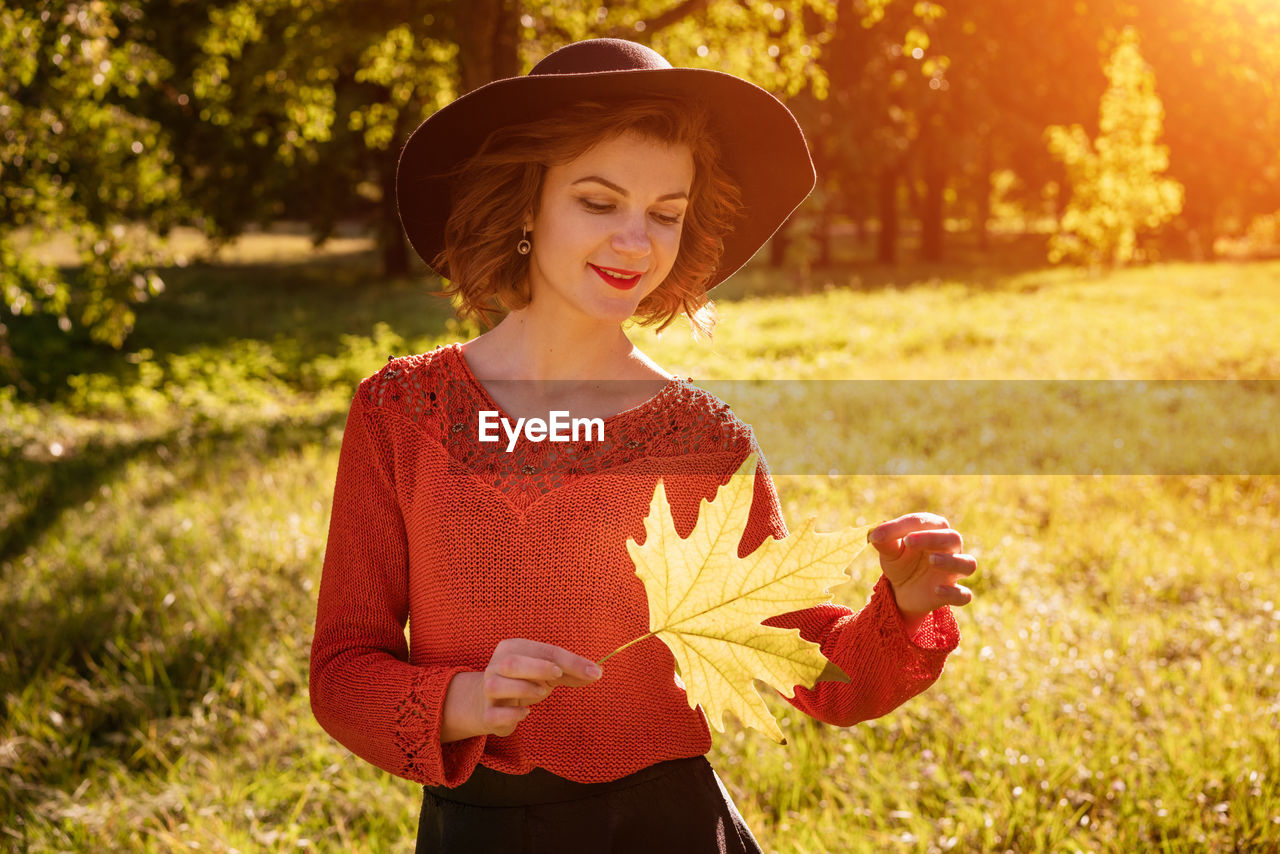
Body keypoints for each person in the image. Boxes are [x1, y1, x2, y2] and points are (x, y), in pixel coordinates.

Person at [309, 38, 976, 853]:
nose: (636, 241)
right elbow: (343, 671)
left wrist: (901, 610)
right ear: (527, 202)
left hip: (668, 831)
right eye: (599, 202)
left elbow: (816, 673)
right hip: (477, 833)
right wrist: (465, 701)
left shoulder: (702, 439)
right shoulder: (400, 413)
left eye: (665, 213)